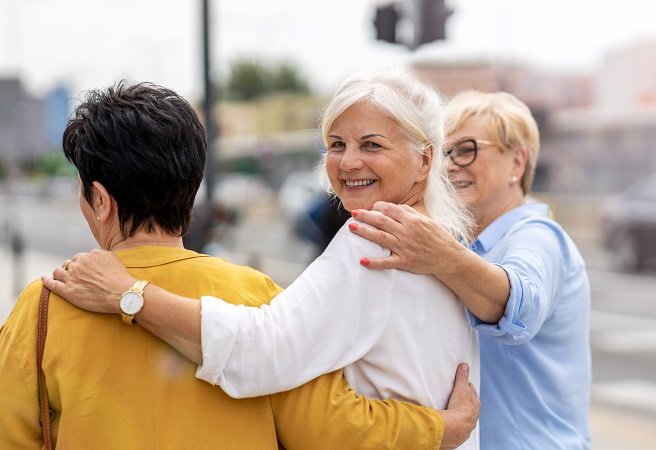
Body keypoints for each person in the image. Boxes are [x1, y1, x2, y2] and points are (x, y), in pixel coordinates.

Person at [0, 81, 478, 449]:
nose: (350, 161)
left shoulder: (44, 306)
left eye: (370, 145)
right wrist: (438, 428)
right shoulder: (257, 295)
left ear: (99, 200)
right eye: (338, 145)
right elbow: (327, 429)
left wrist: (131, 296)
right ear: (192, 182)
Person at [348, 90, 592, 449]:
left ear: (517, 163)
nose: (449, 166)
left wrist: (438, 253)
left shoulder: (537, 236)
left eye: (466, 150)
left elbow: (520, 303)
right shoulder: (465, 244)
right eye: (444, 152)